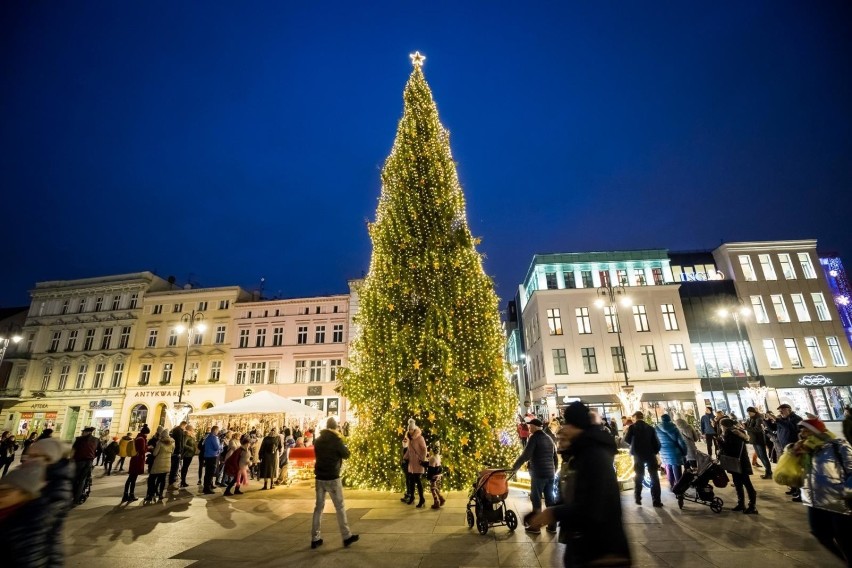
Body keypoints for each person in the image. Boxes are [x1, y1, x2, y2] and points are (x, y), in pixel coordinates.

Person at [528, 401, 631, 568]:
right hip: (583, 544)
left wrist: (553, 513)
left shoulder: (594, 455)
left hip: (600, 549)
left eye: (568, 423)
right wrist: (553, 510)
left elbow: (593, 504)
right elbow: (575, 495)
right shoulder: (582, 452)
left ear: (577, 425)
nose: (564, 428)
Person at [791, 417, 852, 564]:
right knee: (820, 534)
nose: (803, 432)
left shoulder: (837, 445)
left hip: (839, 501)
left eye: (806, 429)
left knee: (846, 540)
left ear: (817, 430)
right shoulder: (804, 449)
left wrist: (846, 491)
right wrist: (792, 454)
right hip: (814, 501)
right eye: (801, 430)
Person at [12, 438, 73, 567]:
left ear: (50, 459)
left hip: (33, 556)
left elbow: (34, 531)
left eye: (37, 456)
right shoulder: (25, 475)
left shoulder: (55, 487)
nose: (29, 460)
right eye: (30, 455)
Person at [310, 417, 358, 549]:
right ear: (335, 427)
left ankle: (315, 538)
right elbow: (346, 454)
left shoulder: (318, 440)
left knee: (318, 508)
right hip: (332, 477)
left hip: (319, 477)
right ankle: (346, 536)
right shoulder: (337, 440)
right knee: (340, 507)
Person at [511, 417, 558, 533]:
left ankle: (535, 526)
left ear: (535, 427)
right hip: (550, 474)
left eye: (530, 426)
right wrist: (553, 470)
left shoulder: (534, 438)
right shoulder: (549, 438)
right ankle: (552, 526)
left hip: (538, 473)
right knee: (550, 499)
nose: (529, 427)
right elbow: (555, 457)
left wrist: (515, 468)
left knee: (536, 499)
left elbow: (526, 455)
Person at [0, 457, 49, 566]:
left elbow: (30, 560)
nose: (1, 496)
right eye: (1, 490)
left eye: (7, 492)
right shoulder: (5, 511)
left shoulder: (28, 525)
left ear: (23, 495)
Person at [718, 417, 757, 514]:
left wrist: (720, 443)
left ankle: (752, 506)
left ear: (724, 426)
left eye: (721, 425)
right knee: (738, 483)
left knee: (746, 484)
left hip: (739, 463)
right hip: (738, 462)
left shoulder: (732, 434)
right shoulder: (735, 433)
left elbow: (731, 450)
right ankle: (741, 503)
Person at [624, 411, 662, 507]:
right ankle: (656, 500)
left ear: (635, 418)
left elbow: (626, 439)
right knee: (654, 477)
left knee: (639, 476)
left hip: (638, 455)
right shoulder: (650, 428)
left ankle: (638, 497)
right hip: (650, 455)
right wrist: (655, 451)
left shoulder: (632, 427)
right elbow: (657, 443)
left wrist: (634, 445)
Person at [767, 403, 803, 499]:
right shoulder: (782, 419)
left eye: (782, 410)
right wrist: (766, 421)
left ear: (789, 410)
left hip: (794, 447)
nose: (781, 412)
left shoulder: (796, 419)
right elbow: (774, 428)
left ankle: (800, 493)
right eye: (779, 411)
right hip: (784, 447)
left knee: (796, 470)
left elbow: (790, 428)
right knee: (789, 470)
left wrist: (777, 419)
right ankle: (793, 488)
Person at [656, 414, 688, 488]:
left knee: (668, 468)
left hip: (663, 452)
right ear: (669, 419)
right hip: (675, 452)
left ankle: (671, 485)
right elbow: (681, 442)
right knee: (677, 469)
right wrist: (684, 451)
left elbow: (656, 440)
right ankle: (679, 488)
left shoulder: (657, 428)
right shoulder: (674, 427)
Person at [145, 428, 174, 503]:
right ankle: (160, 494)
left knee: (152, 479)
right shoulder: (172, 442)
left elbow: (155, 453)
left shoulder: (160, 443)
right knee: (163, 479)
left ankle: (150, 494)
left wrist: (152, 449)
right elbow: (172, 452)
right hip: (167, 464)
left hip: (158, 463)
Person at [71, 426, 98, 504]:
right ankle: (77, 498)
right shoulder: (96, 440)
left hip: (79, 461)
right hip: (89, 461)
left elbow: (73, 449)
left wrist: (71, 459)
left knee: (75, 478)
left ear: (88, 432)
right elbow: (100, 450)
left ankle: (73, 495)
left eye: (83, 432)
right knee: (82, 479)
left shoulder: (79, 439)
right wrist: (93, 456)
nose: (82, 433)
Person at [405, 419, 428, 508]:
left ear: (414, 430)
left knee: (418, 481)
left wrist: (422, 459)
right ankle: (412, 497)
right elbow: (409, 450)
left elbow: (424, 449)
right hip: (411, 463)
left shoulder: (419, 438)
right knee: (411, 481)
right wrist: (405, 458)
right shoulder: (409, 439)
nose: (410, 431)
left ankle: (422, 498)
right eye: (409, 430)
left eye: (411, 430)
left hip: (418, 463)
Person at [122, 425, 149, 503]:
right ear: (146, 433)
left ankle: (126, 494)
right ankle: (131, 495)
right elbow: (142, 450)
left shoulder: (138, 437)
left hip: (134, 459)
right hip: (138, 460)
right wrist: (148, 447)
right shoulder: (142, 439)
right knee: (133, 478)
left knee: (131, 478)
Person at [744, 407, 772, 479]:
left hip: (759, 439)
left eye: (750, 412)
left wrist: (746, 427)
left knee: (763, 456)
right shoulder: (749, 418)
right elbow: (746, 425)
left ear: (754, 412)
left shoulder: (758, 418)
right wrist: (743, 426)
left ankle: (769, 472)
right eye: (748, 412)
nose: (748, 413)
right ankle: (768, 471)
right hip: (753, 439)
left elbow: (758, 429)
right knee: (759, 456)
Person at [202, 425, 221, 494]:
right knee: (210, 473)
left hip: (207, 456)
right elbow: (217, 447)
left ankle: (207, 486)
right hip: (212, 456)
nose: (218, 432)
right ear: (215, 430)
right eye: (218, 431)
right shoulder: (213, 438)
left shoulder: (208, 437)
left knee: (208, 472)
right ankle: (207, 488)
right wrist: (220, 446)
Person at [426, 440, 445, 509]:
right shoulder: (438, 456)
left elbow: (431, 469)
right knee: (435, 487)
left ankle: (436, 501)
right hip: (438, 474)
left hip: (434, 475)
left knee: (432, 488)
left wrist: (429, 476)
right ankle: (441, 498)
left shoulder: (432, 458)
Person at [168, 420, 187, 490]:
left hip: (175, 451)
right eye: (185, 426)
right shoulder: (179, 431)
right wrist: (179, 452)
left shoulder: (176, 429)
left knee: (174, 468)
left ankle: (172, 482)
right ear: (183, 425)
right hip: (176, 452)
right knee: (174, 468)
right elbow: (179, 442)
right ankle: (172, 483)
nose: (185, 428)